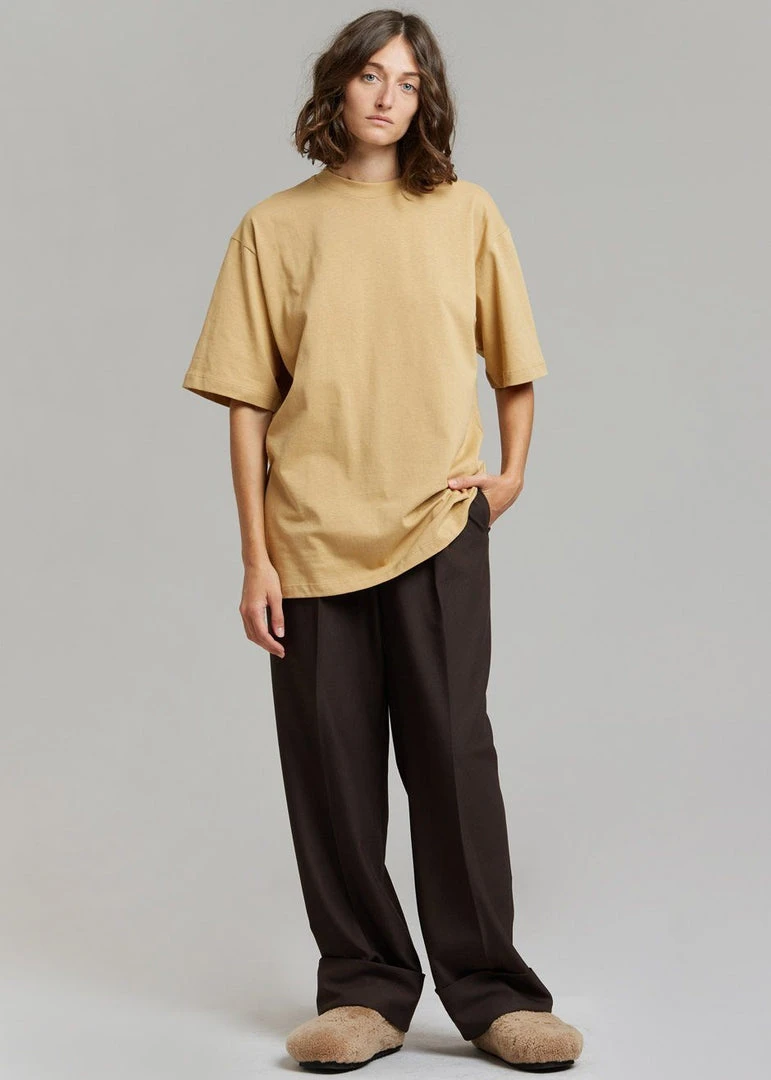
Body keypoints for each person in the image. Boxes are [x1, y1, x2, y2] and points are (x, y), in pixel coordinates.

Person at [182, 9, 584, 1074]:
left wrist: (509, 475)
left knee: (453, 756)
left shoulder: (466, 211)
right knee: (332, 771)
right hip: (309, 536)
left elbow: (515, 365)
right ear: (337, 88)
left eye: (408, 82)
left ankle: (494, 995)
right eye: (370, 76)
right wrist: (255, 557)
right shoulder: (273, 227)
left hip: (437, 524)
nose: (387, 97)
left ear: (425, 100)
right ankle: (363, 991)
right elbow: (246, 406)